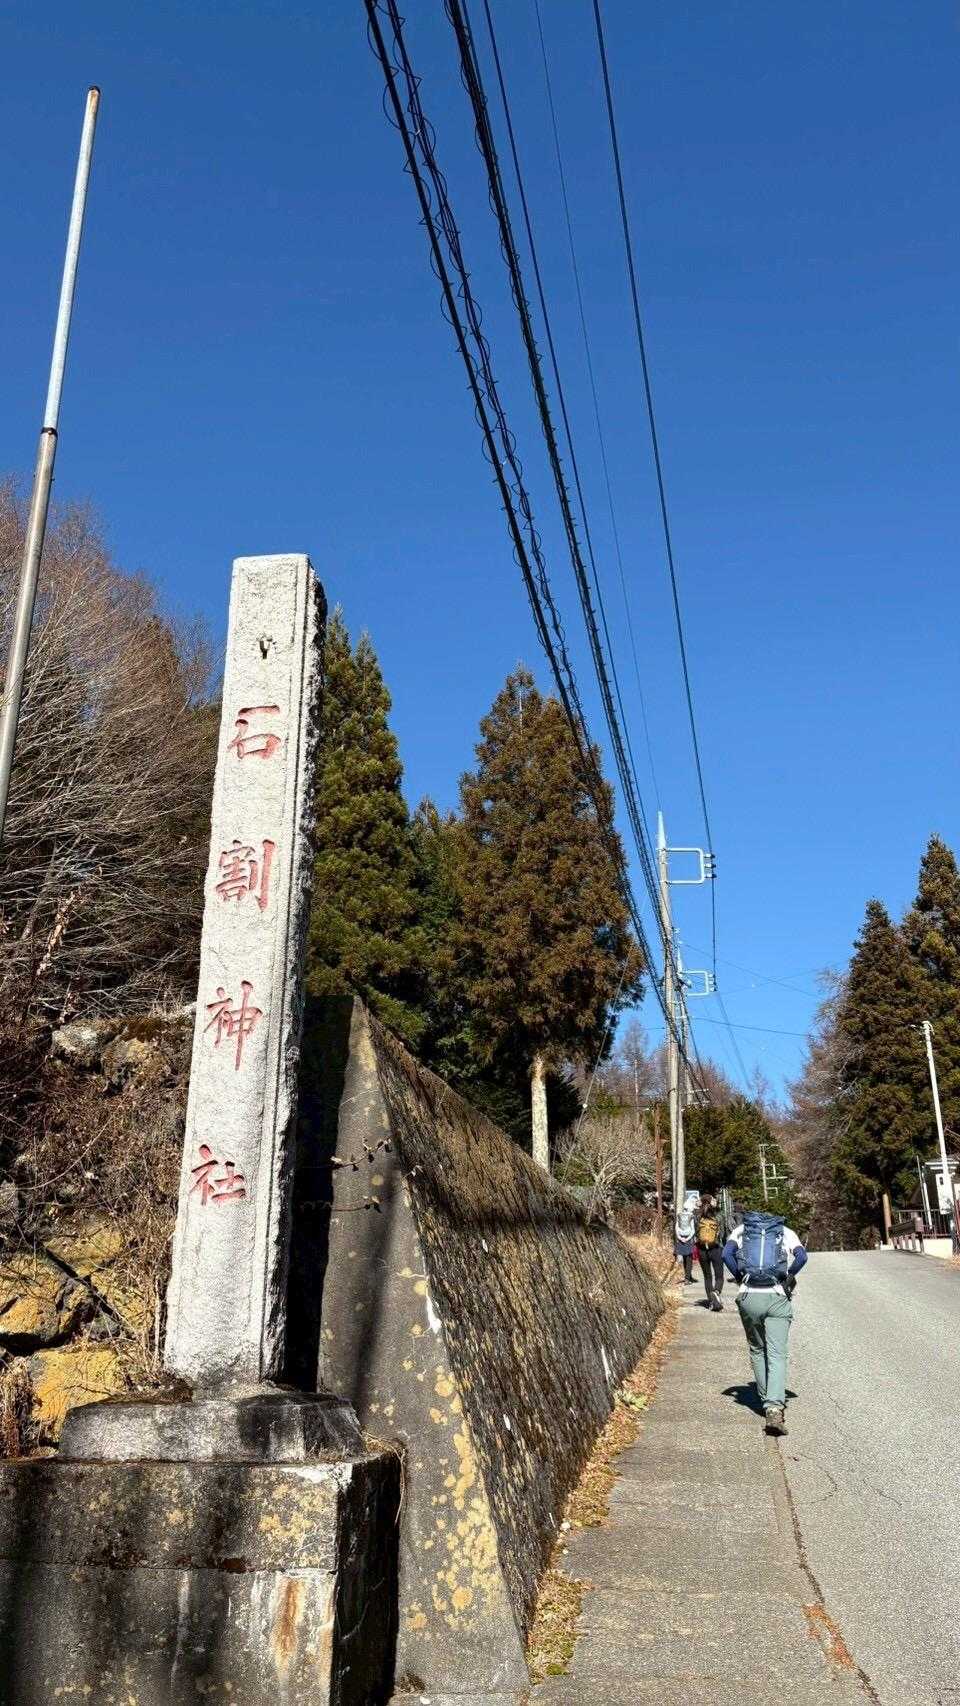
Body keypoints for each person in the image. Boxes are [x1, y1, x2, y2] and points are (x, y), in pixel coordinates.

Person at [722, 1211, 808, 1435]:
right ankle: (774, 1407)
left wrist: (739, 1277)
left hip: (749, 1296)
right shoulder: (784, 1232)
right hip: (776, 1296)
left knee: (757, 1349)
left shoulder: (742, 1231)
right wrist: (788, 1277)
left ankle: (764, 1399)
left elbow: (726, 1254)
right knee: (777, 1353)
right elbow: (801, 1257)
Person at [696, 1192, 726, 1312]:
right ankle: (716, 1292)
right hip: (716, 1248)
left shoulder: (698, 1216)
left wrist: (698, 1206)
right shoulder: (719, 1216)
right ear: (712, 1203)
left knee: (707, 1276)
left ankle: (711, 1302)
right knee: (719, 1276)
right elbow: (722, 1233)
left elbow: (696, 1232)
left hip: (702, 1249)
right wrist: (716, 1206)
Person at [674, 1192, 698, 1283]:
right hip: (689, 1238)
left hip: (681, 1238)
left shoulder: (679, 1215)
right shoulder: (691, 1216)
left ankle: (688, 1276)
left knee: (684, 1258)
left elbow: (676, 1227)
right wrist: (688, 1239)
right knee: (689, 1259)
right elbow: (693, 1230)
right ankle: (688, 1278)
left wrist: (680, 1237)